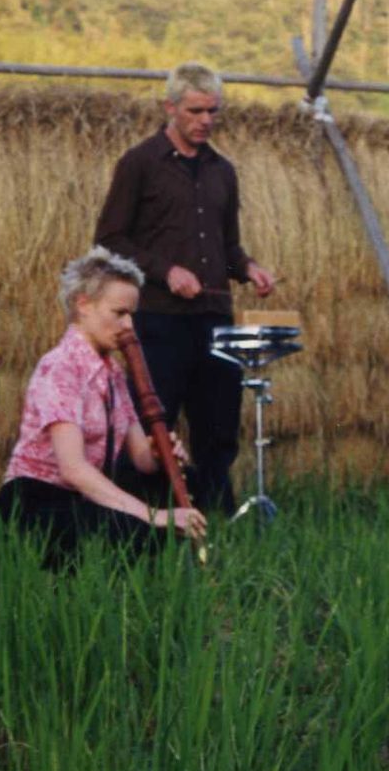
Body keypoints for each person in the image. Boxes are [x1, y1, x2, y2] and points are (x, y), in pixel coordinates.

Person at [95, 62, 275, 515]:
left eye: (213, 111)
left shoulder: (223, 171)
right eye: (195, 111)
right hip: (157, 322)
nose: (206, 121)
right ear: (170, 107)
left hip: (215, 324)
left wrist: (248, 267)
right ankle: (143, 522)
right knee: (153, 427)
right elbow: (110, 239)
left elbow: (227, 244)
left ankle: (216, 522)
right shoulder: (139, 163)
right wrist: (165, 271)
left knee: (218, 430)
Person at [0, 247, 207, 564]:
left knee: (188, 480)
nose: (128, 326)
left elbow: (141, 459)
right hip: (35, 500)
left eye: (132, 315)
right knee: (134, 532)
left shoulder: (113, 373)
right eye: (119, 313)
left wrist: (163, 454)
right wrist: (154, 516)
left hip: (80, 497)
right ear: (84, 306)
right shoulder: (61, 367)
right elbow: (73, 469)